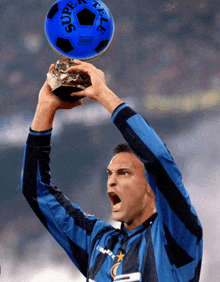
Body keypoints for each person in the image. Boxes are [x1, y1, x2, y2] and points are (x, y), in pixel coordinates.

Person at [21, 60, 203, 282]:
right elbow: (36, 190)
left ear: (151, 187)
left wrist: (103, 94)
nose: (111, 182)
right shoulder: (96, 241)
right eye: (109, 174)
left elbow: (159, 161)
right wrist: (45, 107)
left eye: (124, 173)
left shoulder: (176, 236)